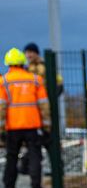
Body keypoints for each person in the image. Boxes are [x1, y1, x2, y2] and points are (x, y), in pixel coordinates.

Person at [0, 47, 49, 188]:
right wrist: (47, 125)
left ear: (8, 64)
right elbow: (44, 105)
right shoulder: (35, 80)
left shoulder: (4, 81)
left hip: (12, 127)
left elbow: (1, 106)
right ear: (23, 63)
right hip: (32, 125)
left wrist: (1, 127)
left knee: (11, 158)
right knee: (35, 157)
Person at [19, 42, 60, 176]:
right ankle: (26, 166)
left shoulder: (45, 67)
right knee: (34, 140)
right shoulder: (26, 69)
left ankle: (57, 168)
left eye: (31, 52)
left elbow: (58, 84)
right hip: (32, 110)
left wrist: (49, 100)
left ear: (36, 53)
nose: (28, 55)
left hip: (43, 109)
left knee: (48, 139)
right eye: (27, 52)